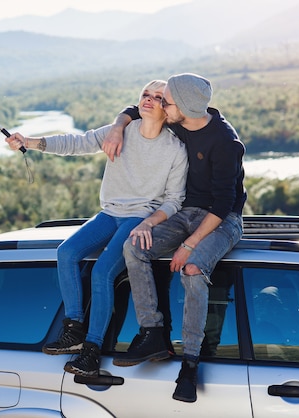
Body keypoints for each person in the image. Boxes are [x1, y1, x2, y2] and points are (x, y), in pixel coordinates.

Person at [5, 80, 188, 377]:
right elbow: (76, 142)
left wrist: (149, 222)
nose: (149, 100)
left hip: (138, 219)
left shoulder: (175, 149)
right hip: (109, 213)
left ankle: (91, 351)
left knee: (103, 272)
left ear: (167, 109)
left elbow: (174, 201)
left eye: (158, 97)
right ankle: (74, 328)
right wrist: (30, 142)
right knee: (66, 253)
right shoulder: (121, 131)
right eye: (145, 94)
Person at [105, 73, 246, 403]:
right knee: (135, 247)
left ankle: (190, 364)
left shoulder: (225, 142)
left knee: (193, 270)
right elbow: (135, 108)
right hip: (186, 212)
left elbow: (224, 204)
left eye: (165, 101)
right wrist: (116, 126)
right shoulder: (179, 120)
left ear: (183, 106)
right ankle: (152, 332)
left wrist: (189, 245)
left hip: (222, 220)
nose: (159, 105)